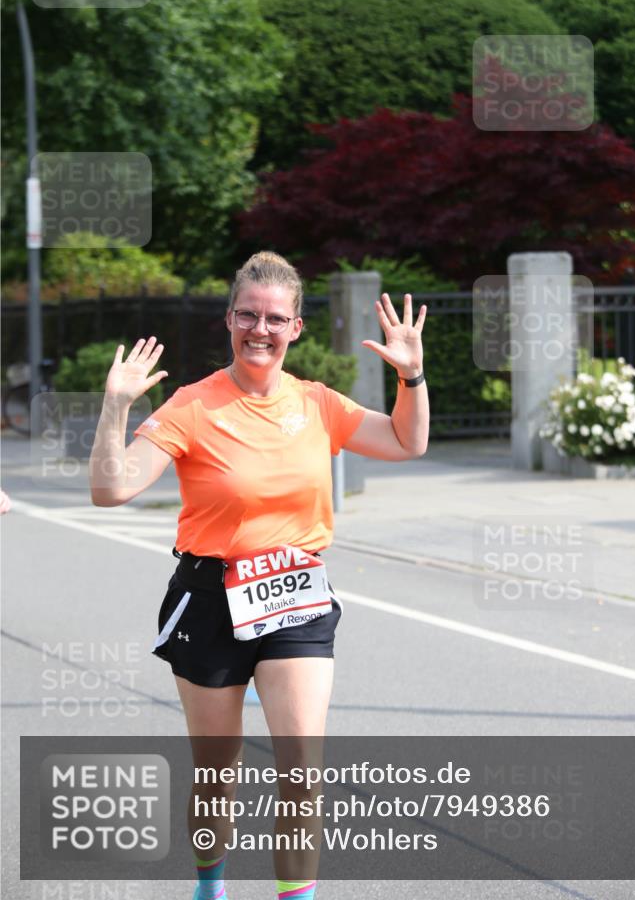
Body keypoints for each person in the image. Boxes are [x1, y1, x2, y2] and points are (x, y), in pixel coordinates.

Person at [89, 251, 428, 900]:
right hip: (209, 597)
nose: (260, 328)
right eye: (248, 314)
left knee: (302, 768)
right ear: (229, 320)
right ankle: (210, 886)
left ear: (295, 328)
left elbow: (405, 444)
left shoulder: (317, 403)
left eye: (275, 318)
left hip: (295, 591)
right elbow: (111, 491)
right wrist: (114, 407)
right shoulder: (191, 407)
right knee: (217, 774)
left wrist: (411, 379)